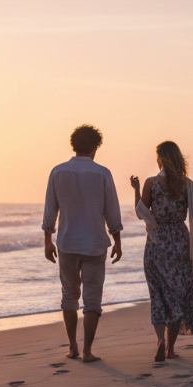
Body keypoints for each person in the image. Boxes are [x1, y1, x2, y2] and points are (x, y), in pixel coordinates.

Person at [130, 141, 193, 361]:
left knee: (158, 294)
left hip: (157, 245)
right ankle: (170, 349)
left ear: (160, 159)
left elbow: (141, 213)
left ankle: (159, 340)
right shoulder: (188, 185)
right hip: (182, 244)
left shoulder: (151, 183)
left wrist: (136, 191)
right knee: (178, 295)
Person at [42, 124, 123, 362]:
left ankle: (72, 347)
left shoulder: (57, 172)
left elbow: (50, 210)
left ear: (73, 145)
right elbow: (112, 211)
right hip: (95, 243)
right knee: (92, 298)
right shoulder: (102, 173)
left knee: (69, 295)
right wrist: (117, 240)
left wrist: (48, 240)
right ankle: (87, 351)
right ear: (95, 146)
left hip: (67, 242)